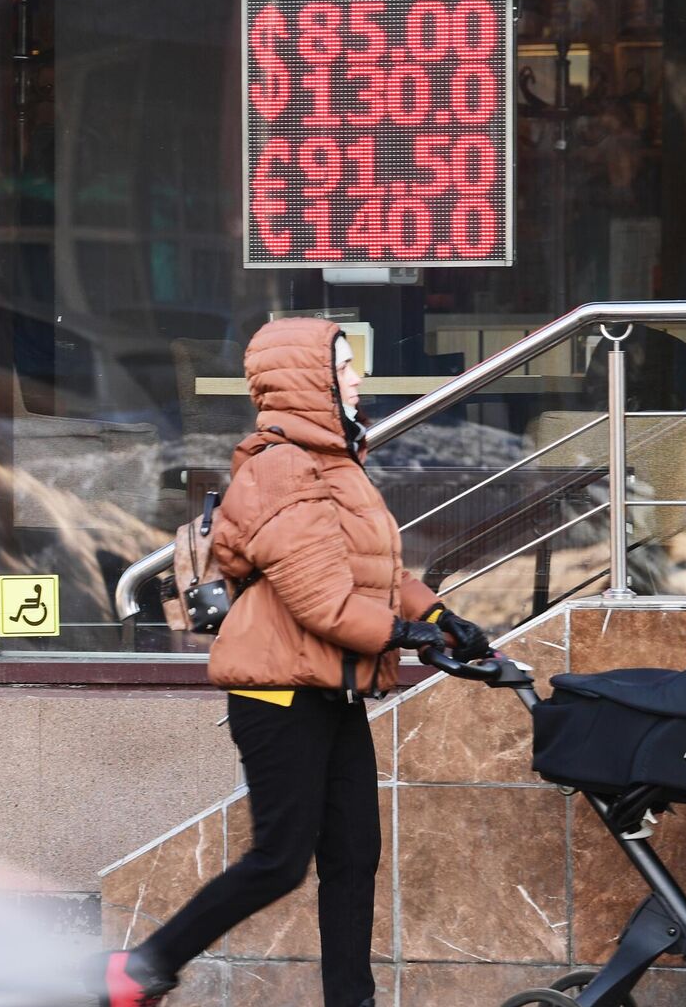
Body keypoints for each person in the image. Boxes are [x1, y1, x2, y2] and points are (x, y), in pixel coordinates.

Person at [95, 319, 492, 1007]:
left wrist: (435, 616)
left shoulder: (336, 463)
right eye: (343, 367)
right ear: (306, 380)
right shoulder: (280, 468)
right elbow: (324, 602)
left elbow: (371, 572)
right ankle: (140, 969)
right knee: (280, 860)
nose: (357, 379)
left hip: (329, 688)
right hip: (279, 694)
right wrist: (403, 635)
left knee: (353, 857)